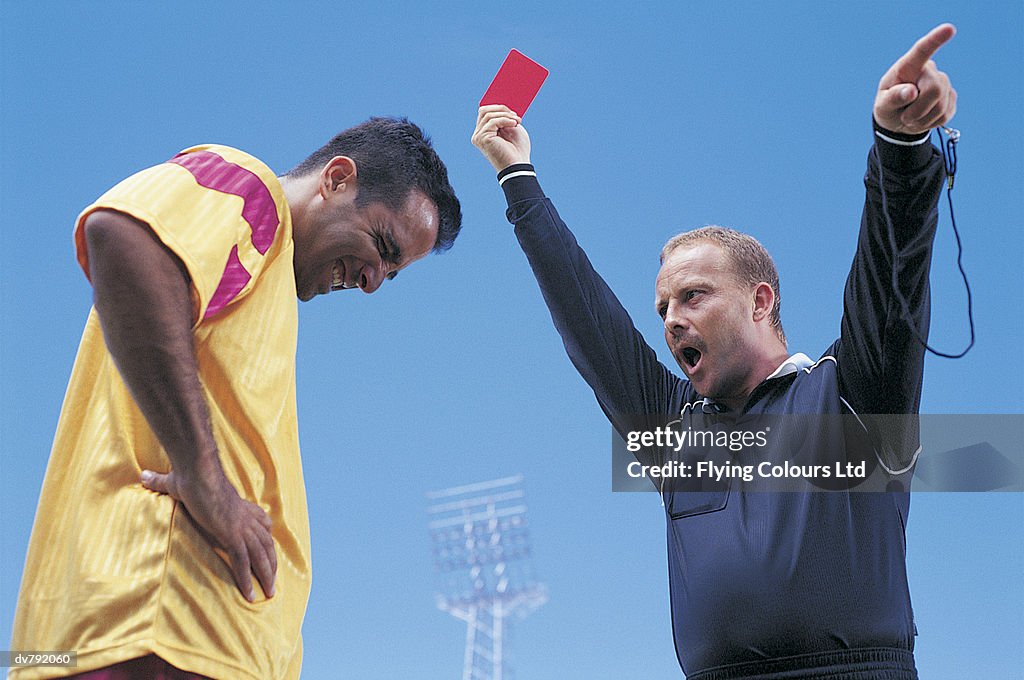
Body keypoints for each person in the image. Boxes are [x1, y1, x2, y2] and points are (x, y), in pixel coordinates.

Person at [472, 24, 956, 680]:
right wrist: (517, 176)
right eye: (663, 308)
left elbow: (892, 274)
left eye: (693, 296)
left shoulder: (850, 395)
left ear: (760, 301)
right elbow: (588, 322)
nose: (672, 321)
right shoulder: (674, 433)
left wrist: (900, 147)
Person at [10, 117, 462, 680]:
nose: (372, 282)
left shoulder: (263, 284)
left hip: (200, 643)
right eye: (383, 246)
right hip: (163, 629)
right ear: (337, 179)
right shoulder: (254, 191)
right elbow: (122, 234)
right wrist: (206, 480)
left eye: (391, 275)